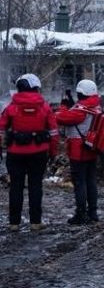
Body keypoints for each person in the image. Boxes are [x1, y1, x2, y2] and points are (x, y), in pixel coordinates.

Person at [0, 73, 59, 231]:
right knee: (35, 186)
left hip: (15, 154)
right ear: (36, 88)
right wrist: (53, 153)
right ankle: (35, 222)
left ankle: (14, 223)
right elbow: (54, 132)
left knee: (16, 187)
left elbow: (1, 128)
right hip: (39, 153)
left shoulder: (12, 106)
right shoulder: (44, 106)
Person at [55, 79, 101, 224]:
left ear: (80, 93)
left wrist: (64, 106)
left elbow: (60, 118)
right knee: (91, 181)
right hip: (92, 149)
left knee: (80, 183)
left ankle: (80, 214)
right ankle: (93, 213)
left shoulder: (79, 111)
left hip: (78, 151)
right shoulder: (96, 106)